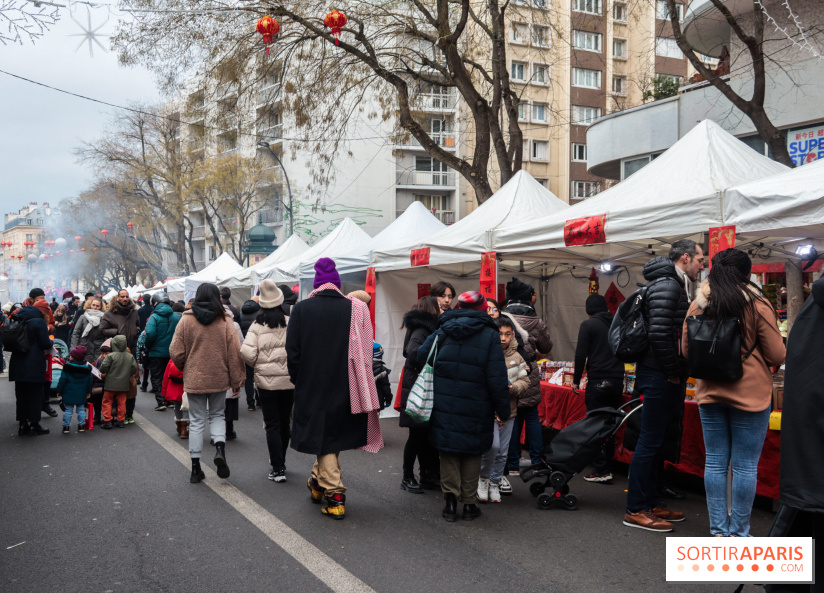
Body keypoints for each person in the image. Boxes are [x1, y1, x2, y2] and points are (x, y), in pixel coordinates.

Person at [681, 248, 785, 537]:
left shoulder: (698, 304)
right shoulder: (757, 304)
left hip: (710, 393)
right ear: (747, 273)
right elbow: (777, 354)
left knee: (714, 462)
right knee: (744, 467)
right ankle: (739, 532)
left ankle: (718, 531)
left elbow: (686, 351)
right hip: (750, 396)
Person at [286, 258, 382, 519]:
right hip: (347, 382)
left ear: (315, 285)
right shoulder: (354, 309)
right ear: (337, 284)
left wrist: (299, 378)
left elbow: (292, 352)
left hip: (312, 383)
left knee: (323, 434)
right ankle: (317, 480)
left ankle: (334, 494)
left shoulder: (302, 310)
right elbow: (366, 349)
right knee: (331, 433)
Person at [623, 239, 703, 532]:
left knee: (656, 442)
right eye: (699, 259)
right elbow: (659, 336)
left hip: (661, 374)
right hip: (659, 375)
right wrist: (672, 372)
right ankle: (636, 509)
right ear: (685, 258)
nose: (702, 264)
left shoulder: (673, 284)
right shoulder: (669, 286)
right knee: (650, 441)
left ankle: (651, 502)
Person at [418, 291, 510, 522]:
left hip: (444, 403)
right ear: (482, 309)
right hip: (478, 406)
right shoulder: (490, 335)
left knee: (448, 452)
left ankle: (450, 504)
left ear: (458, 306)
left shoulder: (444, 330)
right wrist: (504, 410)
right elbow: (497, 378)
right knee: (472, 453)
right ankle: (469, 505)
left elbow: (420, 356)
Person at [170, 283, 245, 484]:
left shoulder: (186, 320)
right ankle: (219, 449)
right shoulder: (225, 320)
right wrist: (236, 379)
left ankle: (196, 468)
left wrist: (185, 366)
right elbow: (234, 352)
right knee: (218, 415)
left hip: (195, 376)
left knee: (196, 420)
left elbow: (175, 351)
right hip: (219, 376)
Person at [240, 280, 294, 483]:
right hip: (289, 381)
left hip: (266, 382)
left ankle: (277, 468)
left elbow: (246, 352)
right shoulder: (290, 322)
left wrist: (257, 364)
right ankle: (282, 461)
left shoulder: (256, 326)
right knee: (284, 422)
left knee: (271, 424)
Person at [503, 277, 552, 489]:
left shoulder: (503, 318)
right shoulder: (536, 321)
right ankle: (536, 462)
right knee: (532, 416)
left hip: (509, 370)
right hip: (529, 371)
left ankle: (512, 464)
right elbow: (547, 346)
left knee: (512, 417)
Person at [572, 294, 625, 483]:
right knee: (609, 424)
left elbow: (580, 355)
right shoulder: (617, 323)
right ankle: (606, 467)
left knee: (596, 425)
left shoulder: (588, 325)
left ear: (588, 311)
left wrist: (576, 380)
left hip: (598, 380)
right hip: (617, 380)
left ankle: (602, 469)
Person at [478, 316, 530, 504]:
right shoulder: (485, 353)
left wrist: (513, 388)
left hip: (510, 410)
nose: (503, 338)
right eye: (499, 334)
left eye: (507, 334)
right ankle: (483, 480)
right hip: (489, 412)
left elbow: (525, 381)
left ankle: (495, 482)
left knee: (503, 452)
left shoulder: (517, 357)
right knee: (492, 446)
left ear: (513, 335)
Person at [398, 296, 442, 494]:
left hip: (418, 385)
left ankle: (427, 475)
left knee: (425, 435)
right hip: (419, 387)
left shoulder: (422, 328)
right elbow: (412, 352)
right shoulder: (422, 329)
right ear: (431, 310)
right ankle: (407, 476)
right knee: (416, 435)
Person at [9, 298, 54, 436]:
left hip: (17, 361)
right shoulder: (38, 322)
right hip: (33, 363)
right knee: (35, 394)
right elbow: (45, 343)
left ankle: (23, 425)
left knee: (21, 395)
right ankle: (34, 424)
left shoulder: (18, 318)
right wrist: (51, 342)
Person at [144, 292, 181, 410]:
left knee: (157, 377)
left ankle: (161, 401)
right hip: (172, 352)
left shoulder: (154, 317)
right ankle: (170, 399)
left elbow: (149, 334)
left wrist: (148, 346)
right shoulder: (176, 317)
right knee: (170, 375)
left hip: (156, 352)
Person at [99, 335, 138, 429]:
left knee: (107, 401)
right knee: (122, 403)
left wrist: (103, 372)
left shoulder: (111, 356)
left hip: (110, 384)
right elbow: (134, 368)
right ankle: (120, 420)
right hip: (123, 384)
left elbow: (104, 368)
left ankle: (107, 420)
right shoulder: (129, 356)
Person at [56, 345, 94, 434]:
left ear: (72, 357)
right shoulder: (87, 369)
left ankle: (66, 426)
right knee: (81, 409)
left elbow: (62, 380)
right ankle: (81, 425)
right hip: (81, 393)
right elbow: (90, 381)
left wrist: (59, 391)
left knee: (68, 410)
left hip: (68, 393)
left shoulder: (67, 368)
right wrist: (89, 391)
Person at [239, 295, 262, 411]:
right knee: (258, 374)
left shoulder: (240, 313)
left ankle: (250, 403)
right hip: (258, 347)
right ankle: (259, 400)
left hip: (245, 347)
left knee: (248, 376)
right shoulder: (260, 313)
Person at [100, 289, 141, 354]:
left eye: (127, 297)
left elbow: (137, 324)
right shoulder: (109, 313)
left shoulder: (134, 312)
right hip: (116, 349)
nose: (125, 299)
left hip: (132, 348)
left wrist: (137, 330)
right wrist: (116, 332)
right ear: (118, 298)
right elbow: (102, 330)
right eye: (122, 297)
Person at [71, 297, 106, 363]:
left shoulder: (103, 318)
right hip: (83, 348)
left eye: (97, 306)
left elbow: (104, 334)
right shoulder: (83, 317)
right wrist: (73, 349)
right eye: (93, 305)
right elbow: (76, 333)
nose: (95, 307)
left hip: (98, 348)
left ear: (101, 307)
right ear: (90, 305)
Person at [162, 359, 188, 439]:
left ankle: (179, 427)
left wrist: (164, 391)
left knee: (177, 406)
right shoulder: (189, 359)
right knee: (186, 406)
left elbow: (166, 376)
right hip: (186, 386)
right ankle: (185, 429)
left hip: (173, 387)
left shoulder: (172, 360)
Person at [372, 343, 392, 410]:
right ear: (380, 356)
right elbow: (386, 387)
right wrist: (388, 399)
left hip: (364, 401)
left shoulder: (362, 369)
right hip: (377, 401)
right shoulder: (382, 370)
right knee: (375, 419)